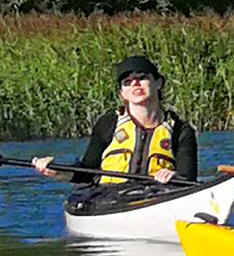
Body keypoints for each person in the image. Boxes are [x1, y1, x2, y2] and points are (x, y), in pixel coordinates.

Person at [33, 54, 198, 185]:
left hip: (157, 196)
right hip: (109, 198)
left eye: (142, 78)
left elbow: (188, 178)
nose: (135, 84)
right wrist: (57, 172)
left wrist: (174, 176)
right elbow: (87, 172)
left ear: (158, 83)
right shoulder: (108, 124)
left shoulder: (180, 130)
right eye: (127, 82)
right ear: (122, 94)